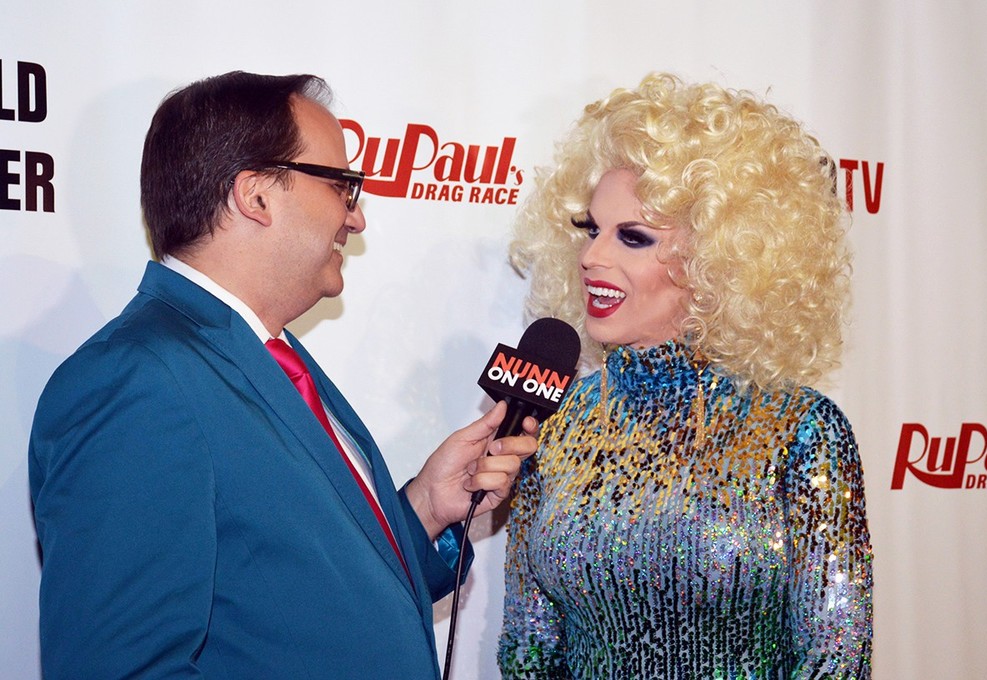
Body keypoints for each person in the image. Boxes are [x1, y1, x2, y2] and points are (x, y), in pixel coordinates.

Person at [29, 71, 537, 679]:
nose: (356, 218)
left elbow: (298, 599)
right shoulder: (137, 382)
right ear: (256, 196)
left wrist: (427, 507)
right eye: (342, 186)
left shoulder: (267, 354)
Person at [498, 72, 873, 678]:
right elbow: (528, 649)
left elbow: (835, 658)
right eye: (592, 230)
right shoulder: (555, 422)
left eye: (633, 237)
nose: (592, 256)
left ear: (718, 260)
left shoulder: (801, 431)